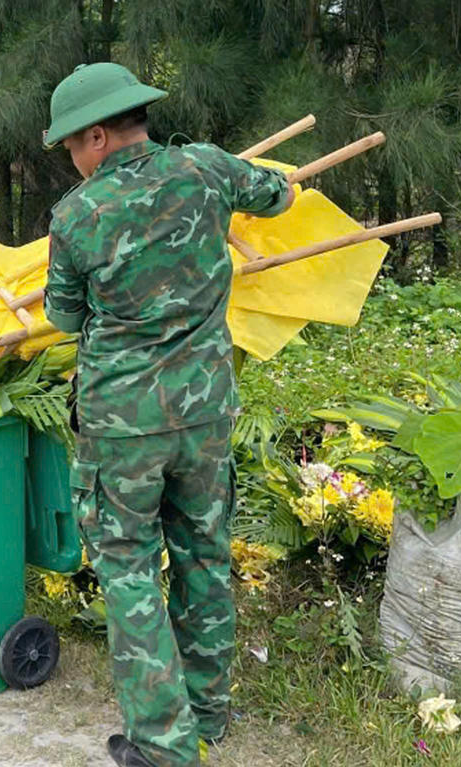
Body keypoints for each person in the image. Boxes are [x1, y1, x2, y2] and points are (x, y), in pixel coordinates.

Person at [42, 63, 295, 767]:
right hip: (206, 412)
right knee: (204, 553)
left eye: (71, 146)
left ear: (98, 135)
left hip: (123, 425)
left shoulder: (77, 215)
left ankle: (161, 741)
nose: (73, 159)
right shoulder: (208, 169)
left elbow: (64, 317)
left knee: (127, 567)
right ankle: (208, 710)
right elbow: (279, 193)